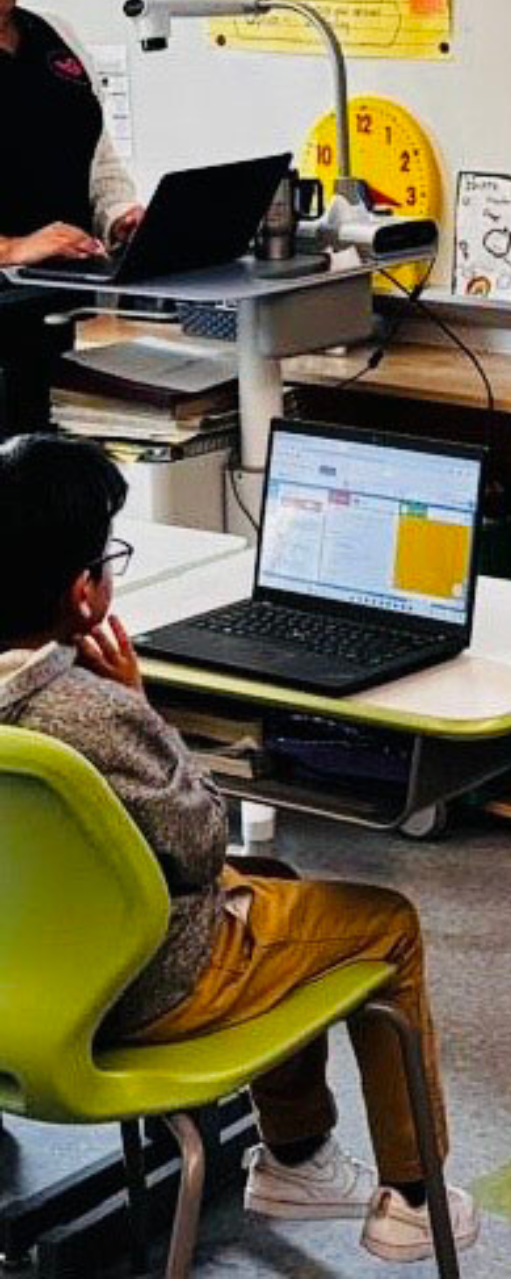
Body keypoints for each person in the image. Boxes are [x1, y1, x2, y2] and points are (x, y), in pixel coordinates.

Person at [0, 434, 479, 1263]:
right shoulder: (91, 713)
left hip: (21, 984)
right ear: (83, 593)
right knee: (388, 923)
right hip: (145, 990)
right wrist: (143, 708)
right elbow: (199, 838)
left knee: (274, 881)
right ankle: (413, 1196)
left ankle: (297, 1154)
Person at [0, 0, 143, 269]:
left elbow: (99, 164)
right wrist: (11, 249)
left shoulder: (55, 33)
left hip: (72, 285)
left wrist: (119, 218)